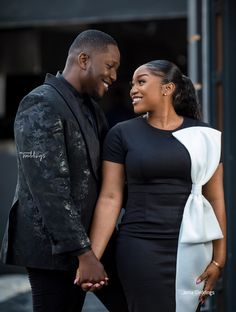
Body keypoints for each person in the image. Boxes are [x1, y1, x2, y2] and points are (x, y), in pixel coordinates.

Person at [78, 60, 226, 312]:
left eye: (141, 81)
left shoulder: (205, 135)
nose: (132, 89)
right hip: (139, 248)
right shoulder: (121, 134)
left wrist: (219, 261)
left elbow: (216, 200)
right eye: (133, 83)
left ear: (167, 88)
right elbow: (110, 197)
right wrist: (91, 257)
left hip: (194, 247)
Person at [0, 29, 128, 312]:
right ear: (84, 59)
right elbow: (49, 188)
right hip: (53, 251)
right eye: (110, 66)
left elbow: (111, 174)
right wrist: (84, 253)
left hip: (96, 241)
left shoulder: (92, 108)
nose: (115, 76)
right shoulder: (40, 103)